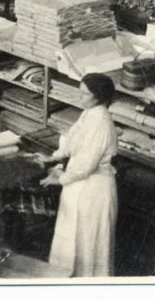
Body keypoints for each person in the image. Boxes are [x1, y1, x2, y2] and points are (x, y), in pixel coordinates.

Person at [39, 73, 118, 277]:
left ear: (98, 97)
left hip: (94, 189)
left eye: (84, 94)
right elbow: (72, 138)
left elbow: (87, 164)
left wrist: (60, 179)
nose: (80, 97)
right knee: (72, 238)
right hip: (78, 184)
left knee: (88, 242)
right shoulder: (89, 113)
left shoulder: (101, 122)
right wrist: (52, 157)